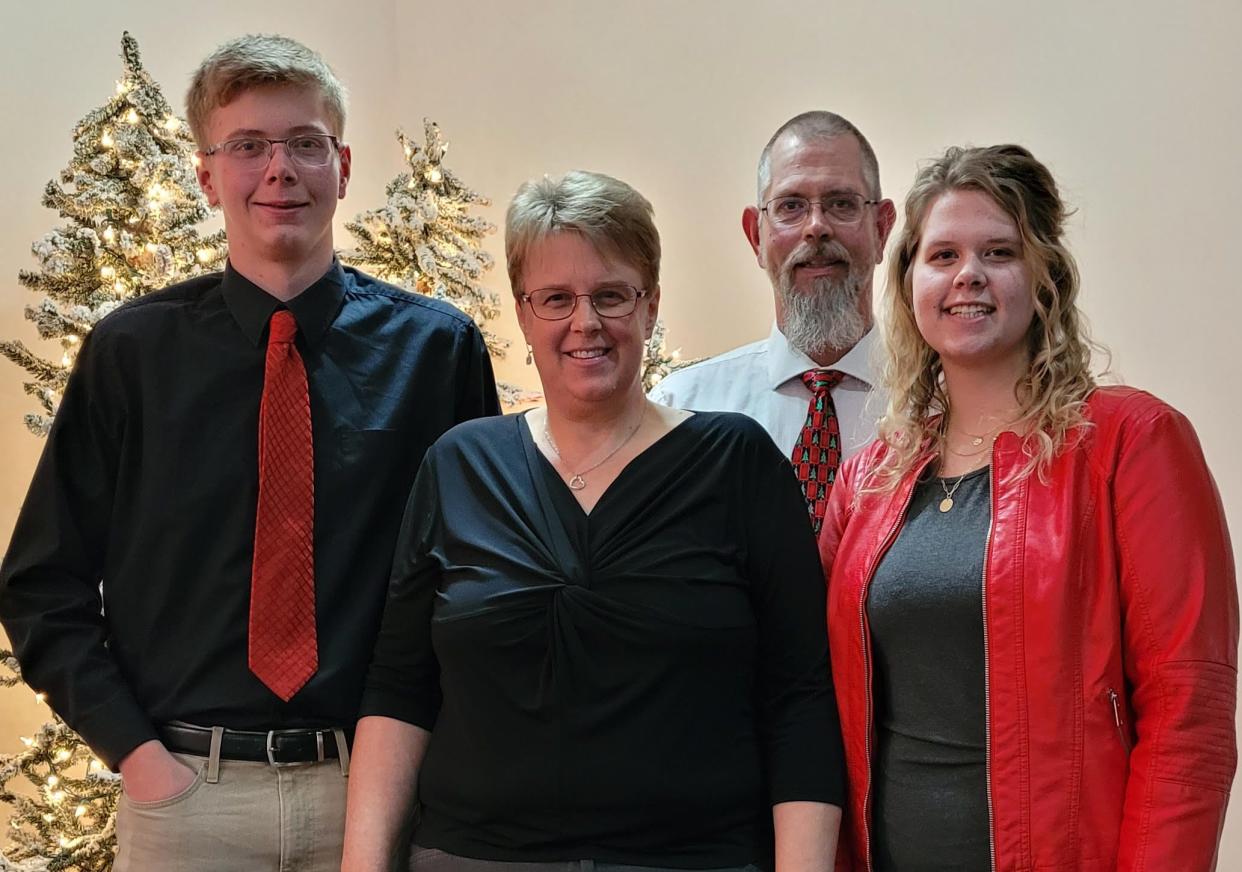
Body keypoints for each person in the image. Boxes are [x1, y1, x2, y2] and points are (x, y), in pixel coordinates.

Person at [0, 34, 498, 872]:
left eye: (306, 143)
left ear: (341, 164)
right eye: (248, 146)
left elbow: (478, 578)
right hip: (186, 796)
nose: (281, 169)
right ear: (206, 174)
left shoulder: (437, 352)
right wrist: (142, 762)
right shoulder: (130, 354)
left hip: (373, 793)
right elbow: (41, 584)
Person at [341, 170, 844, 872]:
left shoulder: (737, 463)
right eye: (556, 299)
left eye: (611, 295)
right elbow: (400, 689)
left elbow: (799, 696)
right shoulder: (459, 467)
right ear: (522, 313)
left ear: (651, 306)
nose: (586, 323)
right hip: (475, 858)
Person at [820, 143, 1237, 871]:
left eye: (999, 251)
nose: (968, 276)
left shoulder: (1131, 444)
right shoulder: (866, 483)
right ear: (910, 280)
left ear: (1044, 275)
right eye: (942, 255)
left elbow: (1190, 717)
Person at [650, 111, 896, 534]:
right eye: (791, 207)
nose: (816, 227)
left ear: (881, 227)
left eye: (841, 204)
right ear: (756, 236)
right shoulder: (681, 412)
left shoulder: (940, 407)